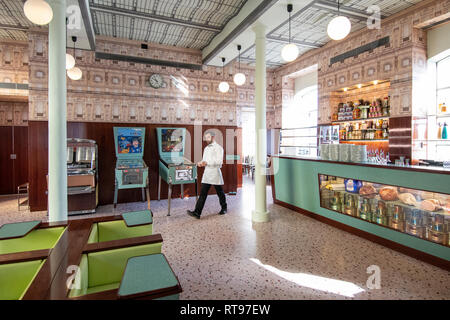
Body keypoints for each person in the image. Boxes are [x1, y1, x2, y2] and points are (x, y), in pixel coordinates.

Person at [187, 131, 227, 219]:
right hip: (207, 174)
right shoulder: (206, 148)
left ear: (213, 137)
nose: (206, 139)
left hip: (215, 173)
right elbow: (204, 160)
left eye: (208, 137)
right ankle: (197, 213)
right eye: (206, 138)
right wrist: (200, 163)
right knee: (203, 194)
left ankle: (224, 208)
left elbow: (219, 162)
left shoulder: (219, 148)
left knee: (220, 192)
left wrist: (207, 163)